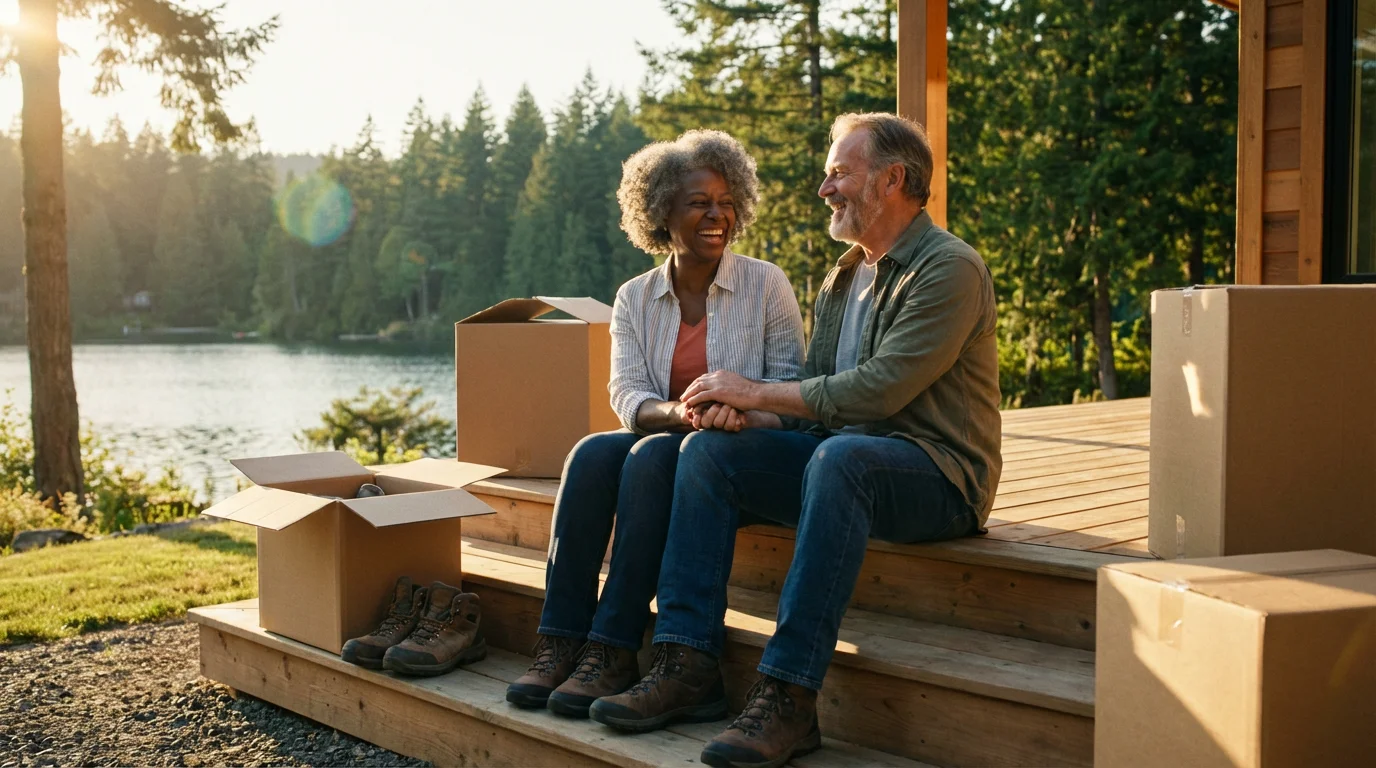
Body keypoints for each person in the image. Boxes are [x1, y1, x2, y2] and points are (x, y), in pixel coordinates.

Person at [588, 113, 1003, 768]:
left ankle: (787, 695)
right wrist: (736, 417)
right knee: (708, 453)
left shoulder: (948, 270)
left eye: (839, 171)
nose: (825, 188)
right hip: (841, 461)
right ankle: (687, 661)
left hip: (939, 478)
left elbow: (879, 392)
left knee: (843, 457)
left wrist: (754, 391)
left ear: (893, 179)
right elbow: (814, 404)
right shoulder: (844, 275)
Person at [505, 130, 806, 719]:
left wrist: (736, 413)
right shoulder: (634, 297)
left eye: (725, 201)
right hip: (673, 435)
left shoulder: (767, 284)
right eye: (698, 202)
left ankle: (614, 647)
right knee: (591, 453)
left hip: (737, 452)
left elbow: (789, 392)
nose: (716, 214)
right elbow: (628, 394)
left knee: (651, 457)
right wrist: (685, 413)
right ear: (661, 212)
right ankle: (561, 641)